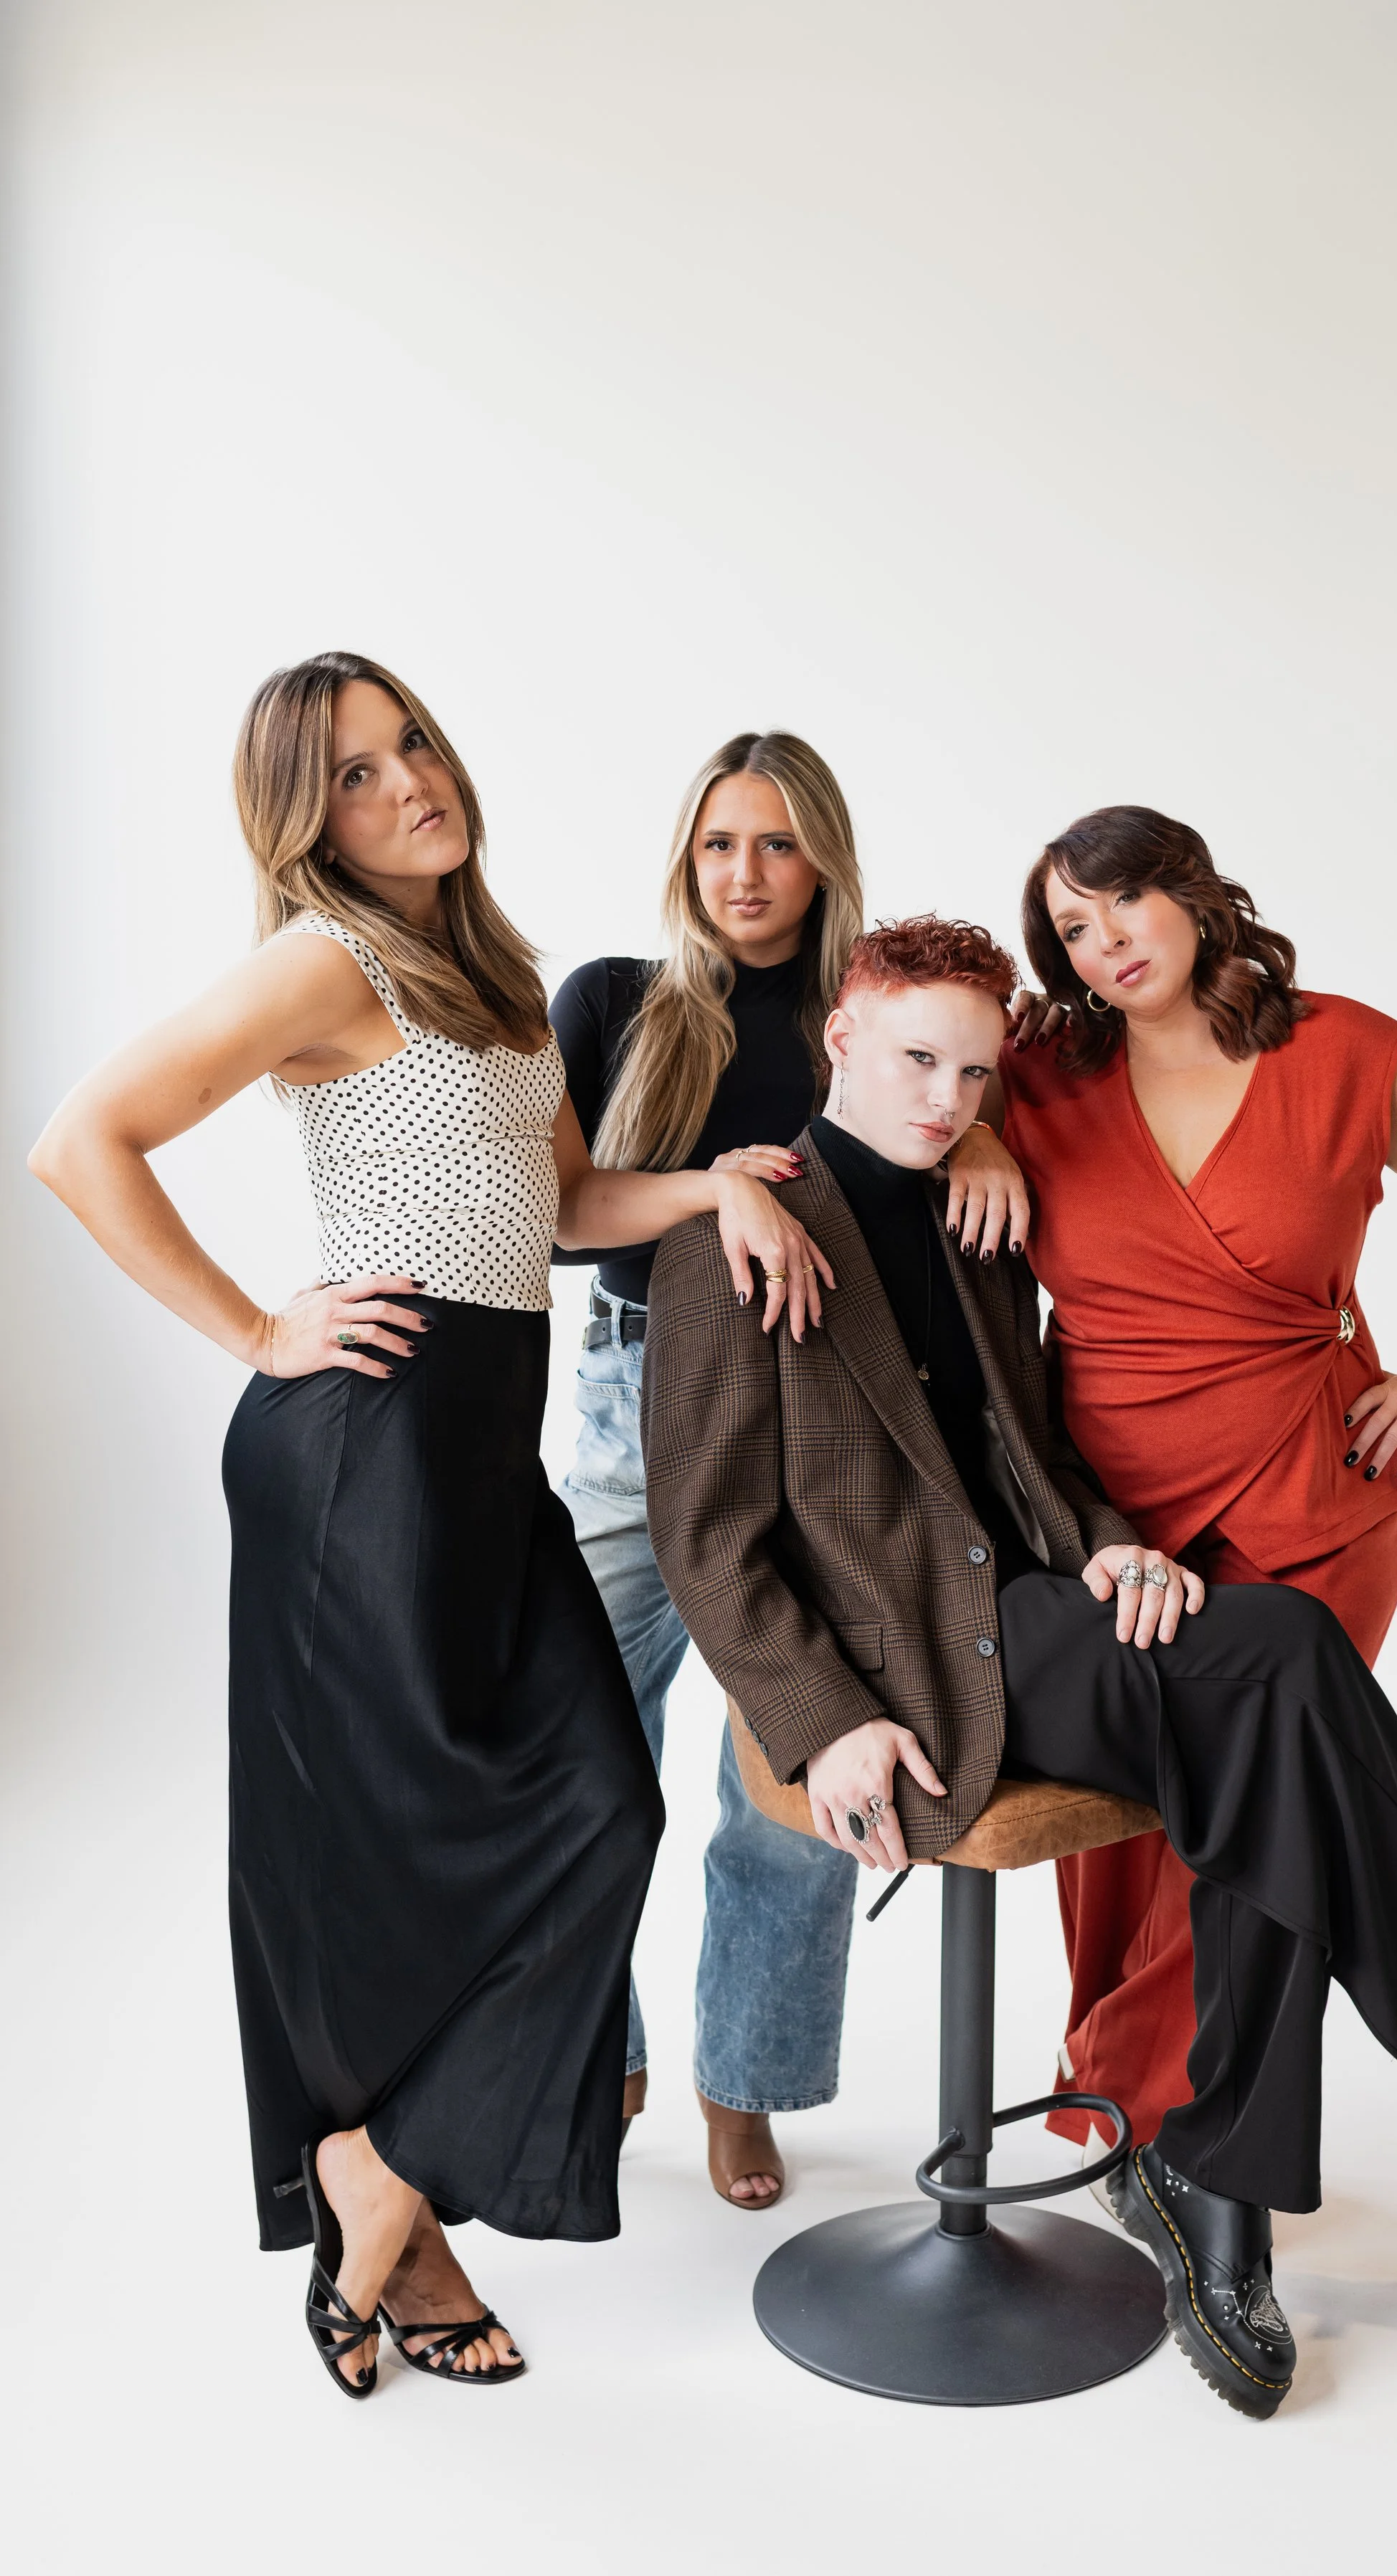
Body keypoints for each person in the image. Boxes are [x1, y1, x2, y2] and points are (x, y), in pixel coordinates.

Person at [640, 915, 1397, 2420]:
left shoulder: (974, 1215)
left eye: (973, 1071)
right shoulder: (730, 1235)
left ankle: (1221, 2186)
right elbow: (709, 1535)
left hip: (1040, 1611)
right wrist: (825, 1721)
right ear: (841, 1046)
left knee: (1275, 1678)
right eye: (916, 1060)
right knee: (1272, 1681)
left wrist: (1110, 1546)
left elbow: (1034, 1443)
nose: (944, 1097)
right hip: (911, 1677)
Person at [27, 652, 827, 2400]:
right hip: (358, 1445)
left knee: (589, 1806)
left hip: (482, 1449)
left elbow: (557, 1207)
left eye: (414, 746)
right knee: (386, 1861)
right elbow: (83, 1137)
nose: (409, 784)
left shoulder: (501, 971)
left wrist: (716, 1184)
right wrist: (254, 1328)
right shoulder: (324, 956)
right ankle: (403, 2219)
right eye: (359, 774)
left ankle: (375, 2176)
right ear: (307, 818)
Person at [991, 806, 1397, 2154]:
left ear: (1193, 893)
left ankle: (1157, 2141)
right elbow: (908, 1098)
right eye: (1072, 927)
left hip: (1316, 1506)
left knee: (1239, 1859)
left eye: (1122, 901)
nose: (1104, 941)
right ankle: (1138, 2126)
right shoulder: (1038, 1072)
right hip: (1112, 1534)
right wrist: (968, 1138)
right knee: (1118, 1857)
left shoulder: (1345, 1048)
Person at [548, 732, 1031, 2207]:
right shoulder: (619, 1000)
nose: (742, 873)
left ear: (820, 855)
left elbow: (929, 1105)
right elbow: (562, 1210)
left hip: (819, 1415)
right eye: (715, 844)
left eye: (773, 843)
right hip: (641, 1398)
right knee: (571, 1757)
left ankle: (742, 2082)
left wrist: (994, 1139)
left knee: (804, 1761)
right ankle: (594, 2042)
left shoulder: (863, 1014)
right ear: (683, 858)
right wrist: (723, 1190)